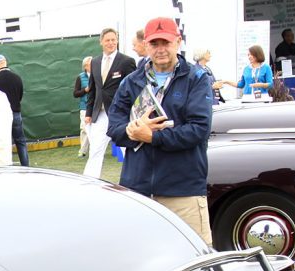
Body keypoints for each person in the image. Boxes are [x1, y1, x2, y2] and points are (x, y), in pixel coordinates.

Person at [106, 16, 214, 239]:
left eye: (166, 42)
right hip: (138, 189)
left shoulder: (196, 79)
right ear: (146, 45)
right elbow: (113, 126)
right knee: (141, 259)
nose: (161, 49)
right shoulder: (132, 82)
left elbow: (198, 129)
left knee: (195, 262)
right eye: (155, 43)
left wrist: (153, 137)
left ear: (178, 41)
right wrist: (132, 131)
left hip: (182, 191)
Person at [85, 28, 136, 180]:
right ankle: (90, 182)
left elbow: (133, 89)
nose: (111, 43)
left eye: (114, 40)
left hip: (120, 113)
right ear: (101, 42)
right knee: (95, 150)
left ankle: (133, 179)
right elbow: (93, 89)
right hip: (99, 113)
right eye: (107, 40)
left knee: (127, 148)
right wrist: (88, 113)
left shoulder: (127, 61)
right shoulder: (94, 62)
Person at [0, 54, 28, 166]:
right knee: (20, 142)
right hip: (16, 113)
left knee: (4, 143)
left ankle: (7, 167)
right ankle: (26, 167)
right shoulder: (17, 77)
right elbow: (20, 95)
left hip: (1, 116)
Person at [72, 58, 91, 155]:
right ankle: (83, 151)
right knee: (84, 129)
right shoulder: (80, 77)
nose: (91, 65)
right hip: (84, 107)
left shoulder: (98, 75)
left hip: (96, 106)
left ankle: (95, 150)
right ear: (85, 66)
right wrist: (85, 90)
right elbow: (75, 93)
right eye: (89, 64)